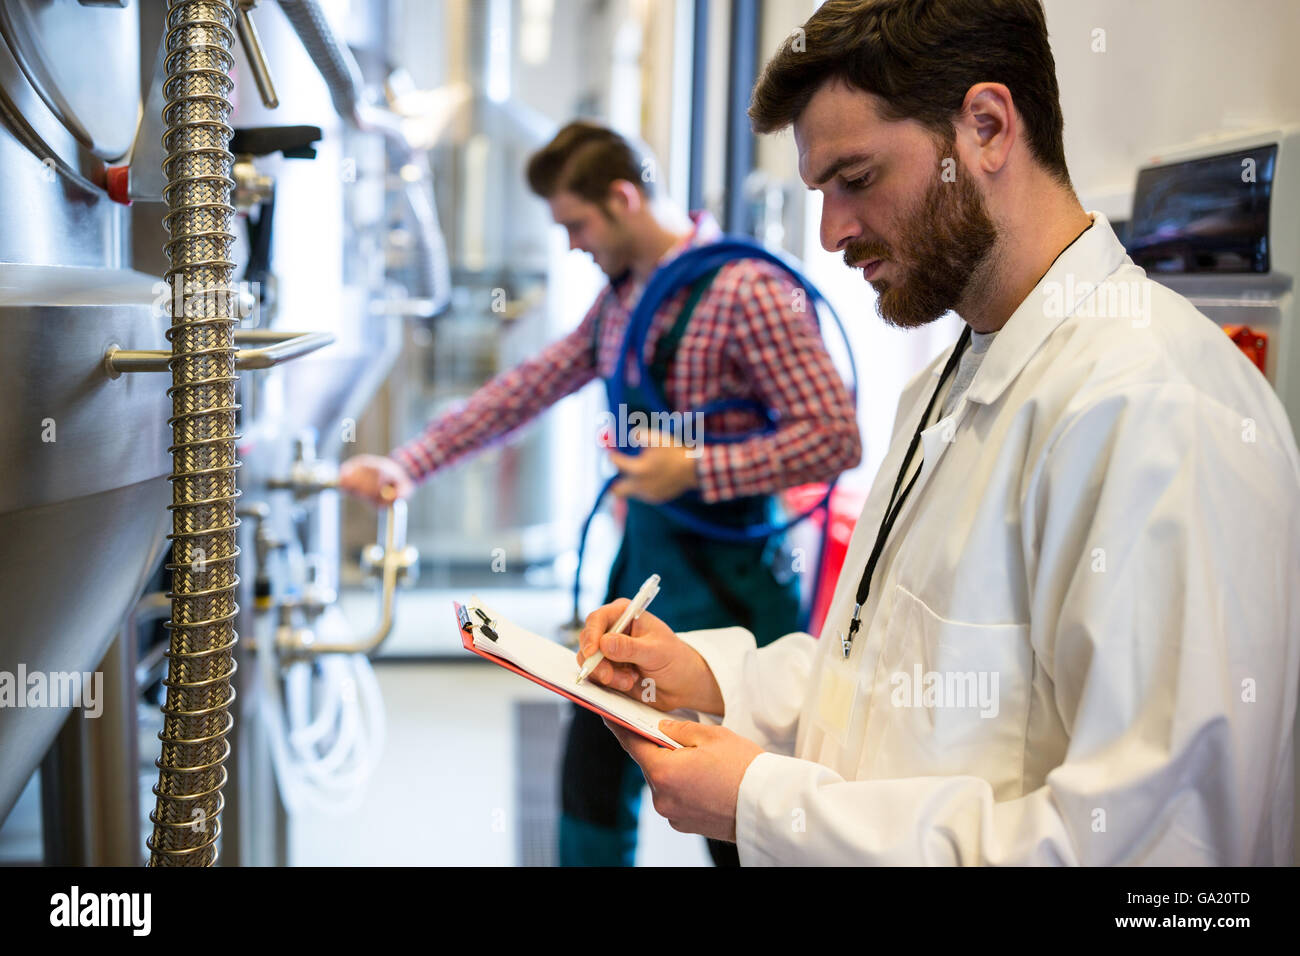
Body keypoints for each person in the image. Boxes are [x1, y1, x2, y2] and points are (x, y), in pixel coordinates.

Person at [578, 0, 1300, 865]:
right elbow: (889, 684)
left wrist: (766, 802)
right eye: (821, 192)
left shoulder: (1155, 410)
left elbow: (1165, 871)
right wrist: (711, 677)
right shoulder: (949, 380)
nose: (832, 233)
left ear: (987, 129)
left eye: (856, 178)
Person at [338, 121, 861, 866]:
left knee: (738, 809)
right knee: (591, 776)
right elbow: (528, 387)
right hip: (644, 574)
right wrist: (410, 464)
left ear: (622, 198)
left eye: (576, 224)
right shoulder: (623, 297)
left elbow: (837, 435)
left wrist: (698, 469)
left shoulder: (750, 289)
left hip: (735, 586)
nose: (573, 245)